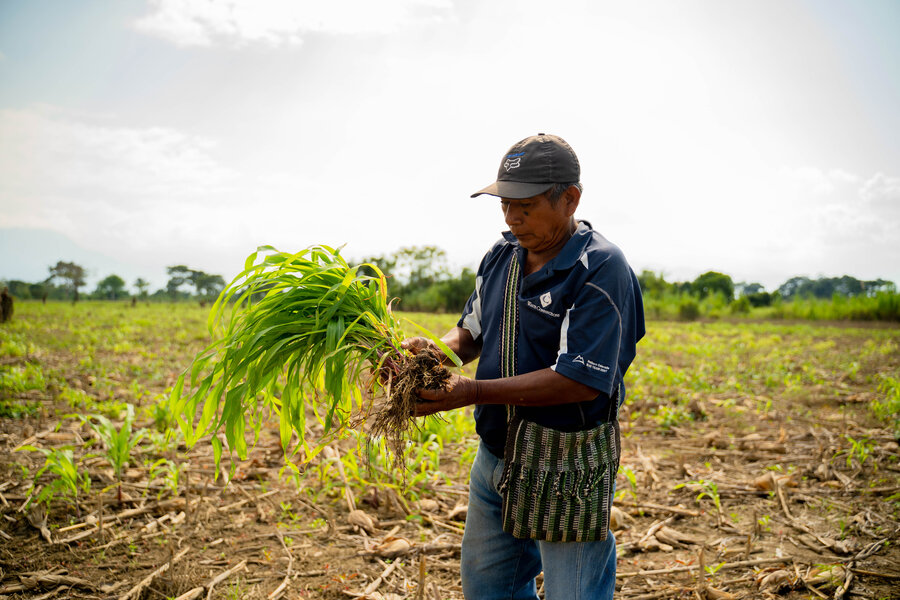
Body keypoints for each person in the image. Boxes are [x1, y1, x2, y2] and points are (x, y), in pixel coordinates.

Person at [401, 133, 645, 600]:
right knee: (489, 589)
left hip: (565, 464)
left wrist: (471, 391)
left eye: (526, 206)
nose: (512, 219)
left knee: (575, 594)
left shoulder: (599, 269)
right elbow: (471, 331)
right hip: (496, 457)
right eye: (505, 206)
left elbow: (579, 381)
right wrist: (434, 354)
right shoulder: (502, 255)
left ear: (569, 199)